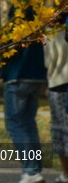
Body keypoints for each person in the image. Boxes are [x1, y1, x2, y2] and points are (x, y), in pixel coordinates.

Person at [0, 32, 48, 183]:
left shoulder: (17, 14)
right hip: (36, 76)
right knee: (28, 124)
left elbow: (8, 48)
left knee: (16, 125)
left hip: (17, 77)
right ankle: (34, 171)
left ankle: (31, 172)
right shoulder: (39, 14)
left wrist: (2, 68)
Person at [45, 16, 68, 183]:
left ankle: (66, 174)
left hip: (57, 84)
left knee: (60, 132)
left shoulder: (49, 32)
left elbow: (46, 62)